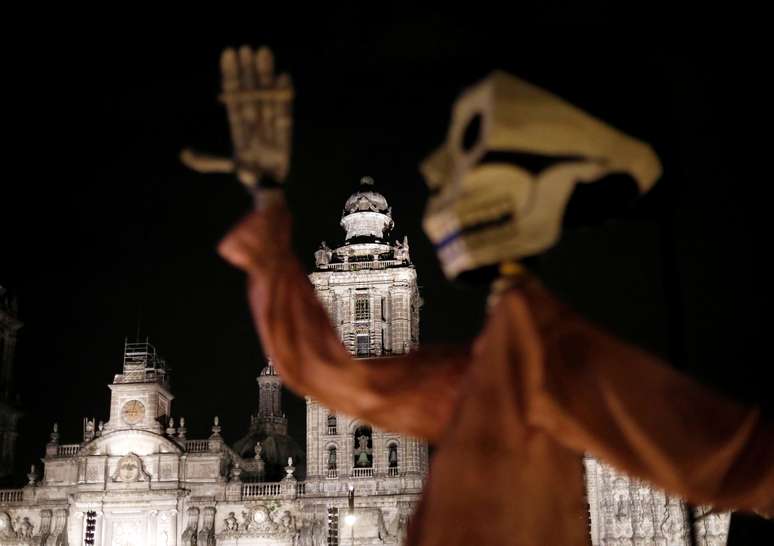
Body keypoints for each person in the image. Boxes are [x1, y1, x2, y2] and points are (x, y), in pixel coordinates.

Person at [190, 47, 774, 545]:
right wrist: (266, 198)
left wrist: (268, 210)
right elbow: (323, 369)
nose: (441, 180)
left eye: (468, 166)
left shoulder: (560, 367)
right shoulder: (494, 368)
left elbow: (740, 458)